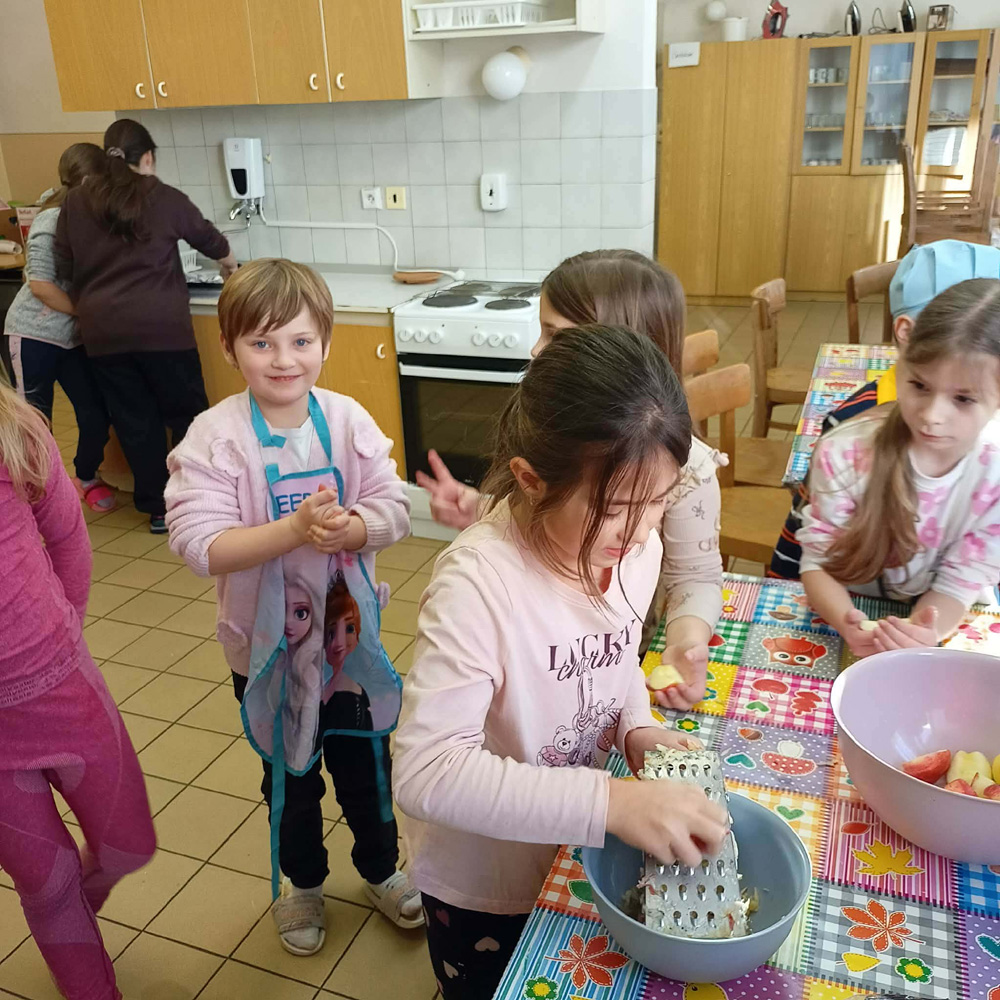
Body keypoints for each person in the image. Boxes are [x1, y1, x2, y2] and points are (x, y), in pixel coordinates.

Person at [394, 326, 730, 1000]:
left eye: (659, 501)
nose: (643, 530)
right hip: (484, 879)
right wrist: (610, 800)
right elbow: (426, 771)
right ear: (530, 479)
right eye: (618, 509)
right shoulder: (477, 585)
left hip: (572, 845)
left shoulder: (632, 550)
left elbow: (614, 657)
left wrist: (636, 726)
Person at [165, 258, 421, 959]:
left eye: (301, 341)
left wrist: (357, 529)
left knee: (367, 767)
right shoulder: (215, 438)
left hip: (348, 648)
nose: (284, 359)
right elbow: (199, 544)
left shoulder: (347, 419)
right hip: (266, 651)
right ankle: (302, 884)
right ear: (229, 348)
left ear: (325, 344)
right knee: (290, 776)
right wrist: (294, 531)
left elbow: (395, 507)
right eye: (262, 342)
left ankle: (382, 868)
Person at [416, 250, 723, 710]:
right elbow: (548, 514)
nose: (536, 350)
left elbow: (696, 576)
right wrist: (478, 507)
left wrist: (685, 639)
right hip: (549, 672)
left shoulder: (686, 468)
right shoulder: (553, 432)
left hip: (625, 662)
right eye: (542, 330)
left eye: (557, 336)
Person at [0, 379, 155, 1000]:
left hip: (64, 687)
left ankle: (75, 908)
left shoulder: (15, 430)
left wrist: (64, 634)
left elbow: (67, 537)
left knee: (128, 845)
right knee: (46, 883)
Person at [770, 239, 1000, 579]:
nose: (934, 416)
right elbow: (805, 549)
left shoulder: (988, 447)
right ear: (908, 333)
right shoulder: (850, 432)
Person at [799, 278, 1000, 658]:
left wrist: (925, 631)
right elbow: (818, 561)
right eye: (920, 386)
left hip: (949, 614)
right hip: (846, 604)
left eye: (963, 399)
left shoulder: (994, 471)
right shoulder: (843, 453)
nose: (932, 416)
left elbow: (963, 578)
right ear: (902, 353)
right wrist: (846, 622)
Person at [55, 118, 237, 533]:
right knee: (188, 415)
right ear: (148, 158)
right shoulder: (161, 196)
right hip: (163, 331)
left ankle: (158, 509)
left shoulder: (76, 201)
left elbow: (64, 263)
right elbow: (210, 240)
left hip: (103, 334)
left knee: (135, 421)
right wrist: (231, 267)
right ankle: (200, 500)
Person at [4, 142, 116, 512]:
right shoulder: (51, 220)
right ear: (88, 181)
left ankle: (86, 476)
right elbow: (40, 285)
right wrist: (86, 312)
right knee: (34, 423)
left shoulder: (95, 218)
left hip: (71, 339)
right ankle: (35, 496)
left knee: (95, 411)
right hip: (32, 336)